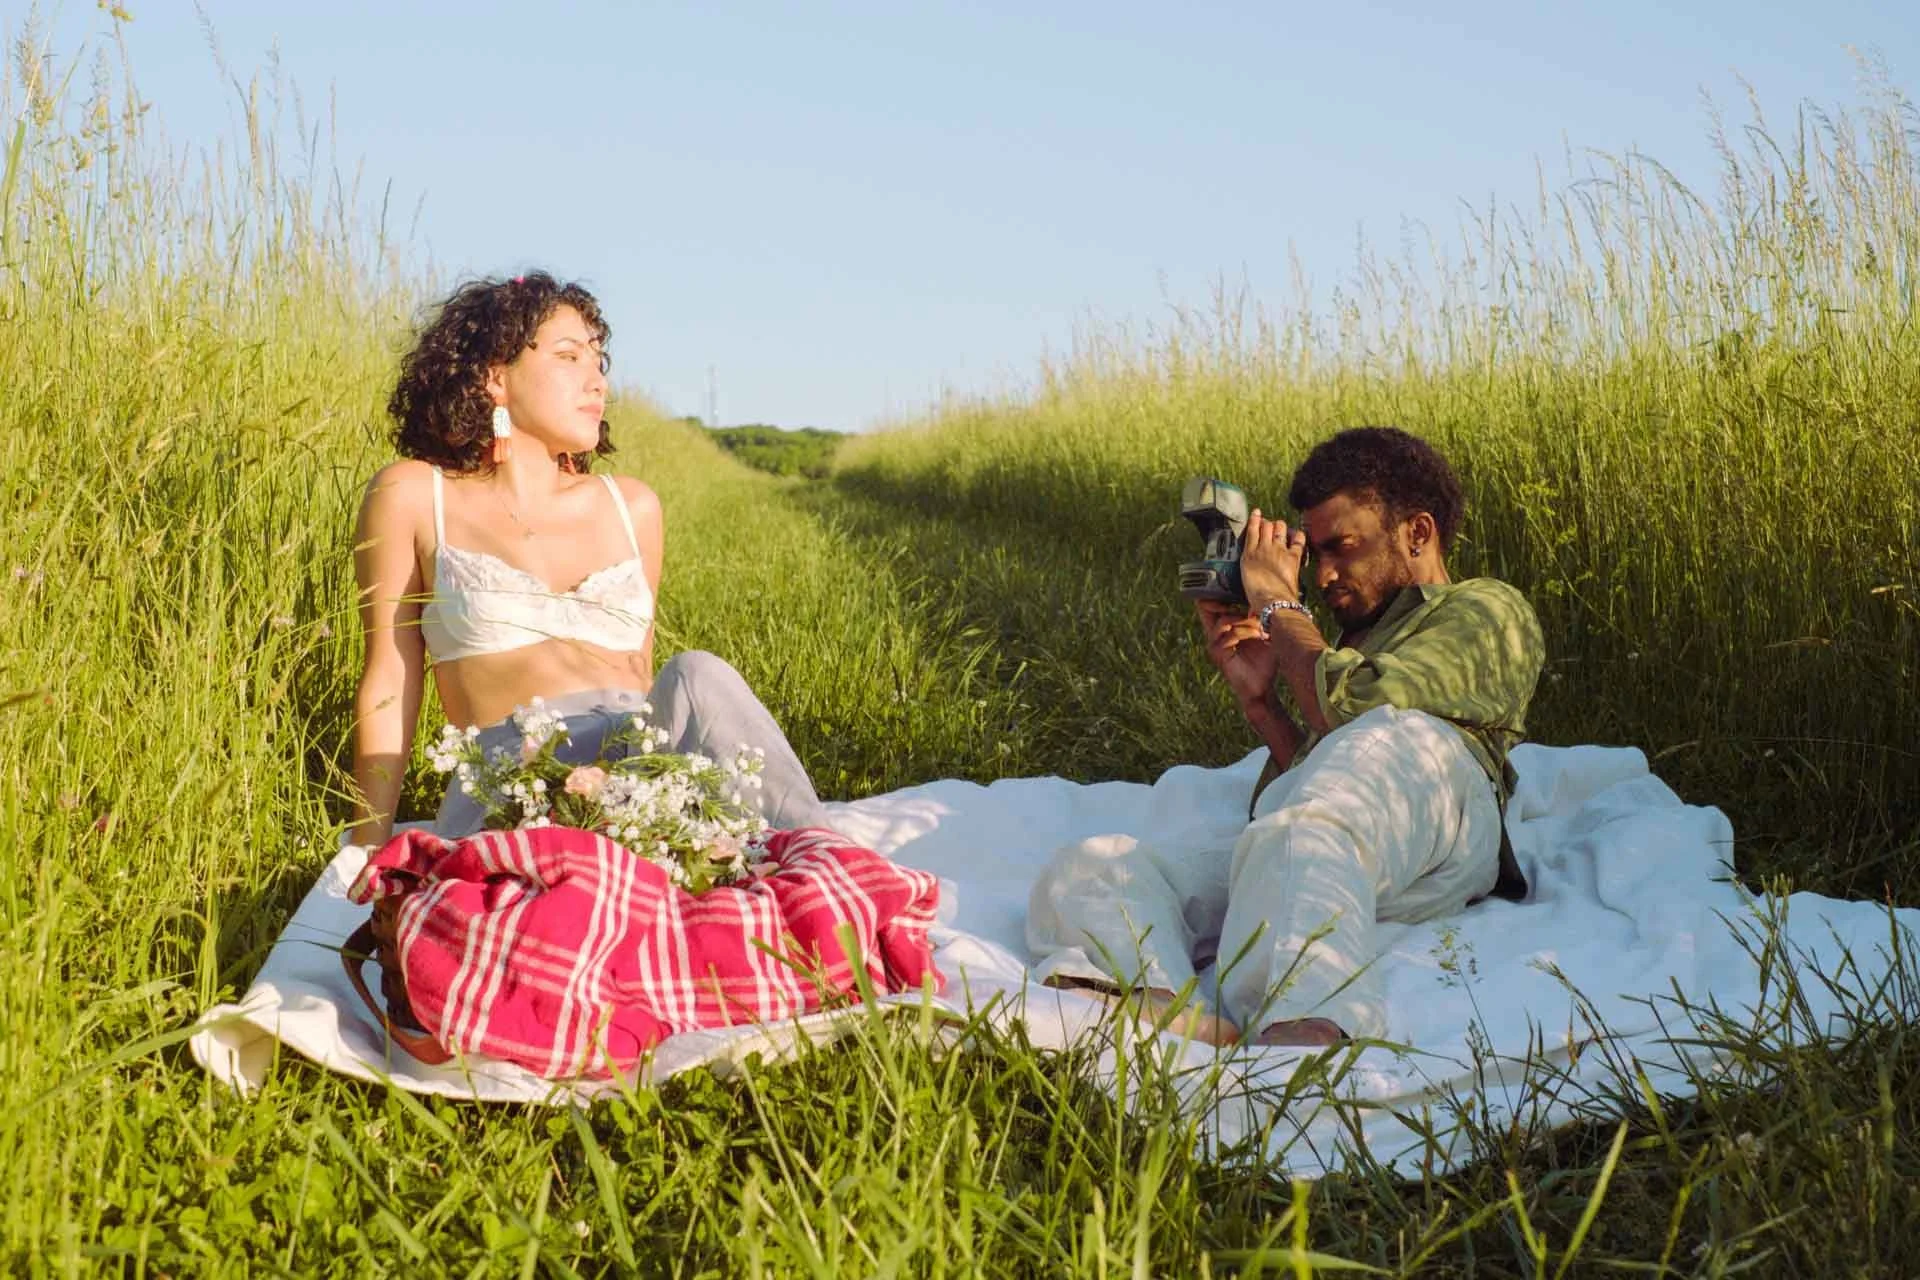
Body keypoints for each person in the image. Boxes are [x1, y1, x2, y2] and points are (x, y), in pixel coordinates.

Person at [1027, 427, 1544, 1047]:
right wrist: (1263, 704)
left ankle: (1309, 1027)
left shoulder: (1485, 607)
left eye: (1341, 547)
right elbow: (1311, 786)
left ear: (1418, 532)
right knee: (1096, 865)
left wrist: (1276, 603)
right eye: (1314, 553)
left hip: (1446, 818)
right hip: (1338, 839)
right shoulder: (1338, 652)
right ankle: (1165, 1013)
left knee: (1341, 781)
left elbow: (1364, 714)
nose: (1323, 577)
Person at [347, 271, 828, 847]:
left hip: (644, 770)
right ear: (494, 377)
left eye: (599, 361)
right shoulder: (414, 495)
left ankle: (826, 863)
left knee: (697, 673)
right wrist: (365, 847)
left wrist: (644, 779)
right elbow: (391, 678)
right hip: (521, 777)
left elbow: (643, 675)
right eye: (570, 357)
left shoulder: (632, 506)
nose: (596, 380)